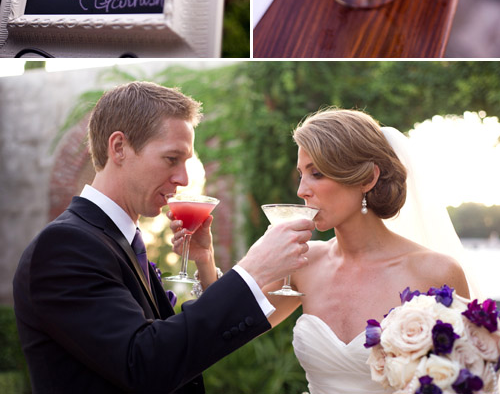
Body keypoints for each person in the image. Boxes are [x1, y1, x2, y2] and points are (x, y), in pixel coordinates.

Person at [13, 81, 315, 394]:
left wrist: (206, 262)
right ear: (119, 148)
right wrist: (253, 269)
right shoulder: (65, 246)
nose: (183, 178)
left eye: (186, 162)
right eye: (172, 159)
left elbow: (176, 345)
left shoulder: (118, 242)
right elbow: (145, 363)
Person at [263, 108, 472, 394]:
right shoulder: (303, 262)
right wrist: (205, 256)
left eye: (317, 173)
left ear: (367, 179)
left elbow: (463, 379)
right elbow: (235, 324)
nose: (301, 190)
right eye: (301, 174)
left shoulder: (436, 273)